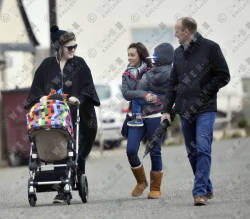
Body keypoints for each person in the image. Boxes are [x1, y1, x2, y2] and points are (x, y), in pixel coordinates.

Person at [25, 25, 100, 203]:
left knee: (74, 149)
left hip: (78, 115)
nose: (73, 50)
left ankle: (66, 184)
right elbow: (35, 89)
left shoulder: (79, 64)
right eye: (69, 47)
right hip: (53, 117)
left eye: (75, 46)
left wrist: (78, 97)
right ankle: (59, 183)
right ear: (59, 48)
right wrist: (41, 97)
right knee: (55, 145)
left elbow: (88, 87)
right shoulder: (46, 66)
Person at [161, 17, 230, 205]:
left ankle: (198, 192)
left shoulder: (211, 48)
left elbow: (224, 75)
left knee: (203, 148)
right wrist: (166, 110)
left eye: (177, 30)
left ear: (187, 31)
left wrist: (204, 92)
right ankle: (206, 187)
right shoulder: (177, 53)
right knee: (192, 153)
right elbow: (172, 84)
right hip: (184, 110)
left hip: (206, 108)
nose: (174, 34)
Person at [122, 42, 172, 199]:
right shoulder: (126, 73)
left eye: (132, 55)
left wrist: (149, 95)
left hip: (155, 115)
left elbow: (160, 93)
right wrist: (144, 95)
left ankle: (155, 187)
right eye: (128, 54)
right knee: (131, 150)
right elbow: (126, 94)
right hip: (136, 117)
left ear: (140, 56)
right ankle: (141, 182)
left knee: (155, 151)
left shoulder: (153, 70)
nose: (129, 58)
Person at [127, 43, 174, 127]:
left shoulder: (151, 72)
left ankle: (137, 119)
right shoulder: (173, 71)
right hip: (165, 101)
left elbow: (141, 86)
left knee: (135, 97)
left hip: (152, 99)